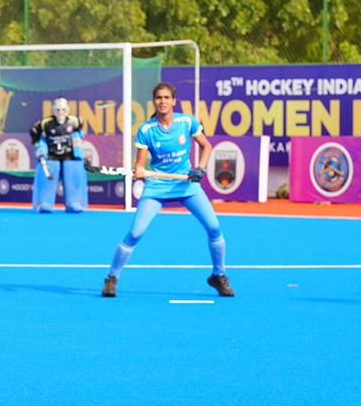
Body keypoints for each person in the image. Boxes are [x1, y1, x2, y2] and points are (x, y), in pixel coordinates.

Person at [101, 82, 233, 298]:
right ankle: (111, 277)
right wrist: (139, 169)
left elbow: (206, 146)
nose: (162, 101)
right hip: (157, 187)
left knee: (214, 227)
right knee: (135, 233)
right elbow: (140, 163)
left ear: (173, 101)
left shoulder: (186, 122)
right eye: (158, 98)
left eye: (166, 97)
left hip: (186, 184)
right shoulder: (146, 130)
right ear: (154, 101)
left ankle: (219, 276)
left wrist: (200, 168)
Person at [28, 97, 87, 213]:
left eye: (63, 110)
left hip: (69, 155)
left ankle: (74, 202)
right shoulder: (45, 123)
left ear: (67, 110)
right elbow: (34, 132)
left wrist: (79, 145)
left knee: (73, 171)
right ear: (53, 110)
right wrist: (38, 146)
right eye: (58, 110)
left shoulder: (75, 121)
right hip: (51, 155)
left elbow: (80, 133)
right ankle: (45, 202)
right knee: (48, 172)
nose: (60, 113)